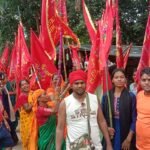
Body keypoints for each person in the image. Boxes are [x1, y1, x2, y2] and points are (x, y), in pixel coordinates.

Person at [56, 69, 112, 150]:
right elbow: (60, 128)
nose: (80, 85)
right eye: (76, 83)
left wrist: (108, 143)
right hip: (74, 147)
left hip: (95, 146)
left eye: (82, 83)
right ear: (71, 85)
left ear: (86, 84)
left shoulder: (94, 99)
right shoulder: (65, 103)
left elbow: (102, 121)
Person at [102, 68, 136, 150]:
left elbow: (134, 119)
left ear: (125, 79)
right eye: (116, 77)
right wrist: (107, 128)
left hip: (126, 131)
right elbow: (101, 117)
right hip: (111, 131)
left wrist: (128, 139)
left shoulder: (131, 96)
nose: (119, 79)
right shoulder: (106, 96)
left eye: (122, 77)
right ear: (112, 80)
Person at [16, 79, 38, 150]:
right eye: (22, 85)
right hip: (28, 123)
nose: (25, 86)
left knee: (35, 139)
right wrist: (35, 101)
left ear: (29, 84)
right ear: (20, 88)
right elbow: (28, 109)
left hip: (34, 120)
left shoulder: (32, 93)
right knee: (30, 140)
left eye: (26, 84)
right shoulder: (22, 96)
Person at [136, 67, 150, 149]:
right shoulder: (139, 95)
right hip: (139, 144)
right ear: (140, 81)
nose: (147, 82)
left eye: (149, 80)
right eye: (144, 80)